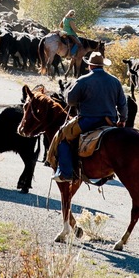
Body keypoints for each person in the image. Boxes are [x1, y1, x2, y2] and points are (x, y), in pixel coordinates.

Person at [52, 51, 128, 182]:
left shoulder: (83, 80)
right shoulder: (115, 81)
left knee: (63, 137)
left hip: (88, 120)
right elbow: (123, 103)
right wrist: (122, 120)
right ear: (102, 66)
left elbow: (70, 101)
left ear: (90, 66)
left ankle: (66, 173)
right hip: (110, 122)